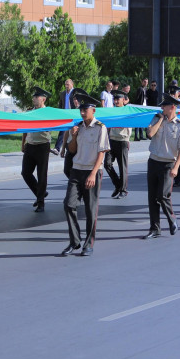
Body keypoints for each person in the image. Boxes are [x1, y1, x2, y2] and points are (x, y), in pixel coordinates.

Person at [59, 95, 108, 256]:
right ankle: (74, 241)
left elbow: (102, 152)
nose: (82, 113)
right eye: (80, 110)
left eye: (85, 110)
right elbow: (72, 150)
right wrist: (73, 136)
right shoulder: (78, 127)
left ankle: (88, 244)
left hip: (92, 171)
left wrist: (93, 174)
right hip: (76, 169)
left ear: (93, 110)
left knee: (90, 209)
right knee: (69, 204)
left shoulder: (101, 128)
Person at [143, 94, 180, 237]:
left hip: (168, 164)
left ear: (172, 107)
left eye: (164, 106)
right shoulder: (156, 119)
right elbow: (150, 134)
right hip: (153, 161)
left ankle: (172, 218)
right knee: (152, 197)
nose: (162, 107)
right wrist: (161, 120)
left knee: (163, 195)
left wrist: (176, 167)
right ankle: (154, 228)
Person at [21, 87, 53, 212]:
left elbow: (53, 127)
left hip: (42, 146)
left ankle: (41, 203)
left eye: (36, 97)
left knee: (41, 175)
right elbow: (24, 128)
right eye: (33, 97)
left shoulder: (48, 113)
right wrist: (23, 143)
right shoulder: (30, 112)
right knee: (25, 173)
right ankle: (41, 193)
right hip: (30, 145)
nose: (33, 99)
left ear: (43, 99)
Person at [104, 90, 131, 198]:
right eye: (114, 99)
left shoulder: (127, 111)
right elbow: (109, 125)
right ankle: (118, 184)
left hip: (122, 140)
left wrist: (127, 140)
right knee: (107, 164)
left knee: (122, 167)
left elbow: (130, 125)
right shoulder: (113, 111)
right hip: (112, 140)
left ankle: (123, 190)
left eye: (117, 99)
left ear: (123, 100)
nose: (115, 102)